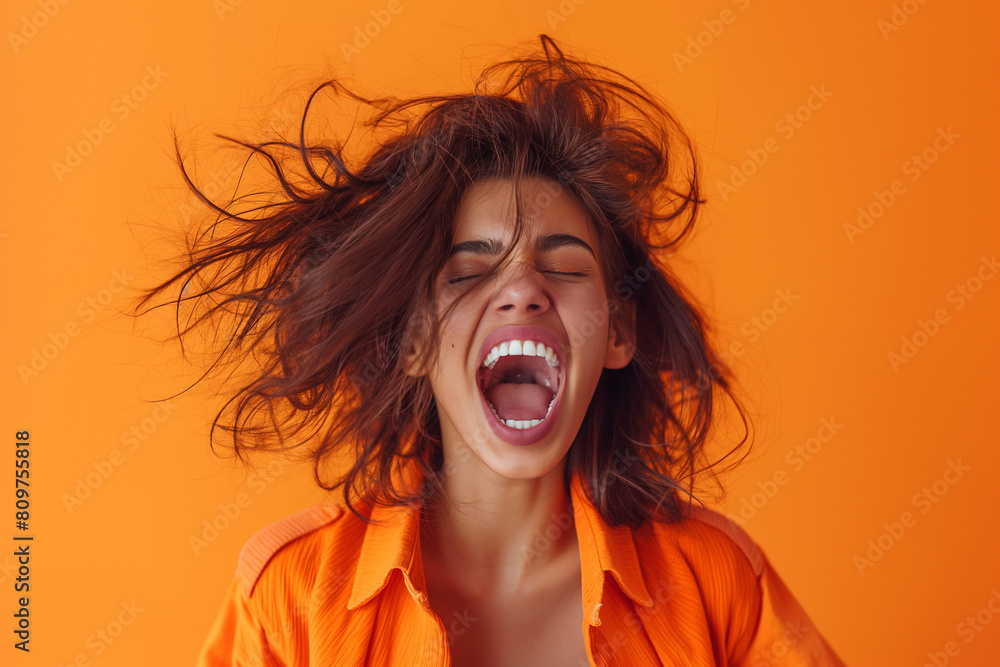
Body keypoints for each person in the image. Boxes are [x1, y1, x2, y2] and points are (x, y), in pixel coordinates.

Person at [137, 34, 846, 666]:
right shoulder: (290, 598)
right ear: (413, 338)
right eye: (471, 271)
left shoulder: (716, 583)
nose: (523, 289)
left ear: (619, 332)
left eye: (564, 265)